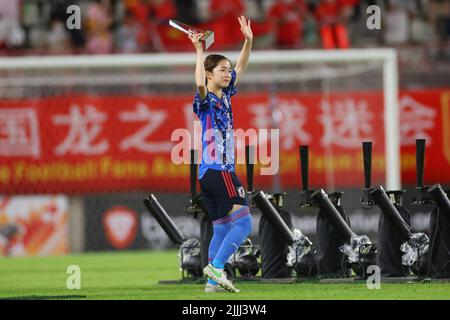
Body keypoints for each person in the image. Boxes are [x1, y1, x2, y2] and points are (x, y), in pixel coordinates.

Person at [188, 16, 253, 293]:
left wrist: (248, 40)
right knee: (245, 221)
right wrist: (200, 52)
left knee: (222, 228)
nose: (228, 74)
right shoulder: (206, 101)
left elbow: (241, 66)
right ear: (209, 74)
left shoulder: (226, 95)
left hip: (208, 174)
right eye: (222, 71)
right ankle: (216, 267)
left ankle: (212, 283)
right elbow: (200, 85)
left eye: (227, 70)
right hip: (219, 170)